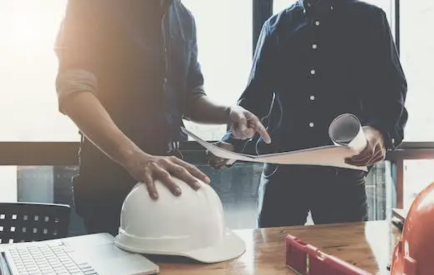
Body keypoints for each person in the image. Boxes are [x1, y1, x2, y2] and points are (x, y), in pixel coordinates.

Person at [54, 0, 270, 235]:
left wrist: (230, 113)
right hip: (108, 181)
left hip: (168, 181)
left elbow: (191, 97)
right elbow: (74, 91)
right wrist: (135, 158)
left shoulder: (184, 18)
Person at [208, 0, 408, 228]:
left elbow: (390, 88)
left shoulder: (370, 20)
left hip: (342, 173)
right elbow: (255, 97)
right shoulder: (275, 26)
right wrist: (230, 143)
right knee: (273, 257)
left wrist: (379, 130)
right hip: (282, 175)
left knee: (345, 258)